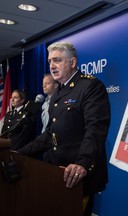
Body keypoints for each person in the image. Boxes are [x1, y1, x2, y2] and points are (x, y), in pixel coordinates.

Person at [18, 41, 111, 216]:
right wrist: (19, 153)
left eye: (57, 60)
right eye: (50, 61)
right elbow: (49, 136)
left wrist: (82, 163)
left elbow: (96, 130)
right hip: (56, 173)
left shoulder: (90, 86)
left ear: (73, 62)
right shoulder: (58, 93)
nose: (52, 66)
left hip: (76, 176)